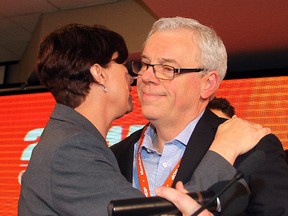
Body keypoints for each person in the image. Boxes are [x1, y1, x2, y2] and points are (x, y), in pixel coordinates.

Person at [16, 22, 234, 216]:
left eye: (167, 68)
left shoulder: (71, 140)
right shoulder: (72, 148)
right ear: (99, 74)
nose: (135, 76)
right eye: (122, 64)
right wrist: (222, 154)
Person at [111, 17, 288, 215]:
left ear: (208, 83)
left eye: (167, 68)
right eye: (145, 64)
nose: (147, 77)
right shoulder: (115, 156)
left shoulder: (253, 150)